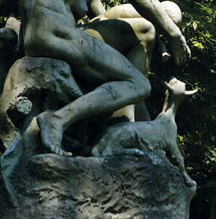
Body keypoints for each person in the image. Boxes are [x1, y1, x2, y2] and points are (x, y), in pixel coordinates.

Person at [13, 0, 190, 156]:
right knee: (139, 84)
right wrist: (174, 34)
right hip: (58, 35)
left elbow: (2, 6)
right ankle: (58, 120)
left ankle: (122, 123)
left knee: (156, 21)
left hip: (35, 38)